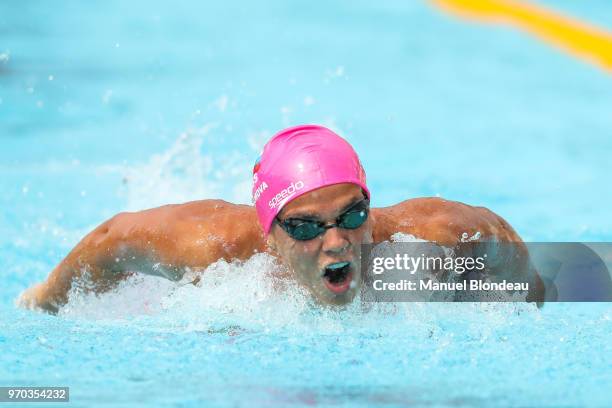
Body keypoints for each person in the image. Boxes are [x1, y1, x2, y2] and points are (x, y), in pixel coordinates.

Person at [18, 125, 545, 313]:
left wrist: (531, 293)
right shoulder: (214, 250)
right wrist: (47, 297)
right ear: (270, 231)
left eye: (351, 215)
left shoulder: (425, 235)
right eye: (306, 227)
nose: (337, 241)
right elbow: (113, 238)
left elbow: (497, 239)